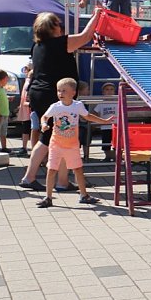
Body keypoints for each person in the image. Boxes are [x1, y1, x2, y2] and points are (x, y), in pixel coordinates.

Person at [18, 9, 100, 191]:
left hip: (39, 93)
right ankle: (29, 177)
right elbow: (86, 35)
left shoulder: (38, 46)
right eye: (58, 24)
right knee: (49, 138)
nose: (61, 27)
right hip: (51, 94)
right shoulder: (60, 43)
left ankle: (62, 181)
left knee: (62, 137)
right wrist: (97, 15)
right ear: (53, 28)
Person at [36, 78, 113, 209]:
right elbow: (45, 116)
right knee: (51, 169)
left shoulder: (77, 105)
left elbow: (87, 116)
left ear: (73, 92)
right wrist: (43, 124)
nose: (60, 93)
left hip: (72, 145)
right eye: (58, 90)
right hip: (56, 144)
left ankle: (84, 195)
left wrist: (104, 121)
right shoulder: (55, 107)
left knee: (77, 169)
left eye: (64, 90)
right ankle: (48, 197)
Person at [94, 82, 118, 162]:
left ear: (115, 92)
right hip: (105, 126)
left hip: (116, 126)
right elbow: (95, 112)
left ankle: (116, 157)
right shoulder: (101, 103)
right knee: (105, 143)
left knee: (117, 143)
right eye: (107, 90)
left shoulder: (117, 102)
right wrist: (98, 121)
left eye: (111, 89)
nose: (109, 91)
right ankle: (107, 157)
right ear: (103, 92)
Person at [15, 62, 33, 157]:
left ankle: (28, 148)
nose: (26, 71)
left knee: (31, 129)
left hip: (29, 109)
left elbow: (27, 94)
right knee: (26, 128)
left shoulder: (30, 81)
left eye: (28, 69)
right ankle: (24, 147)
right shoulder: (27, 80)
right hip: (27, 108)